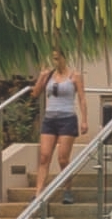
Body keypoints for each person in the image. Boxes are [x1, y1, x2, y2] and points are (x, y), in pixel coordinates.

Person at [24, 58, 89, 193]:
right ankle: (38, 193)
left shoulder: (75, 75)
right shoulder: (48, 75)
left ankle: (67, 188)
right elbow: (35, 94)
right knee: (44, 156)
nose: (54, 61)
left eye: (56, 58)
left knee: (62, 159)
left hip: (67, 119)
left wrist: (84, 120)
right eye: (52, 58)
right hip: (49, 119)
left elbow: (82, 98)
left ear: (64, 58)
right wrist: (41, 77)